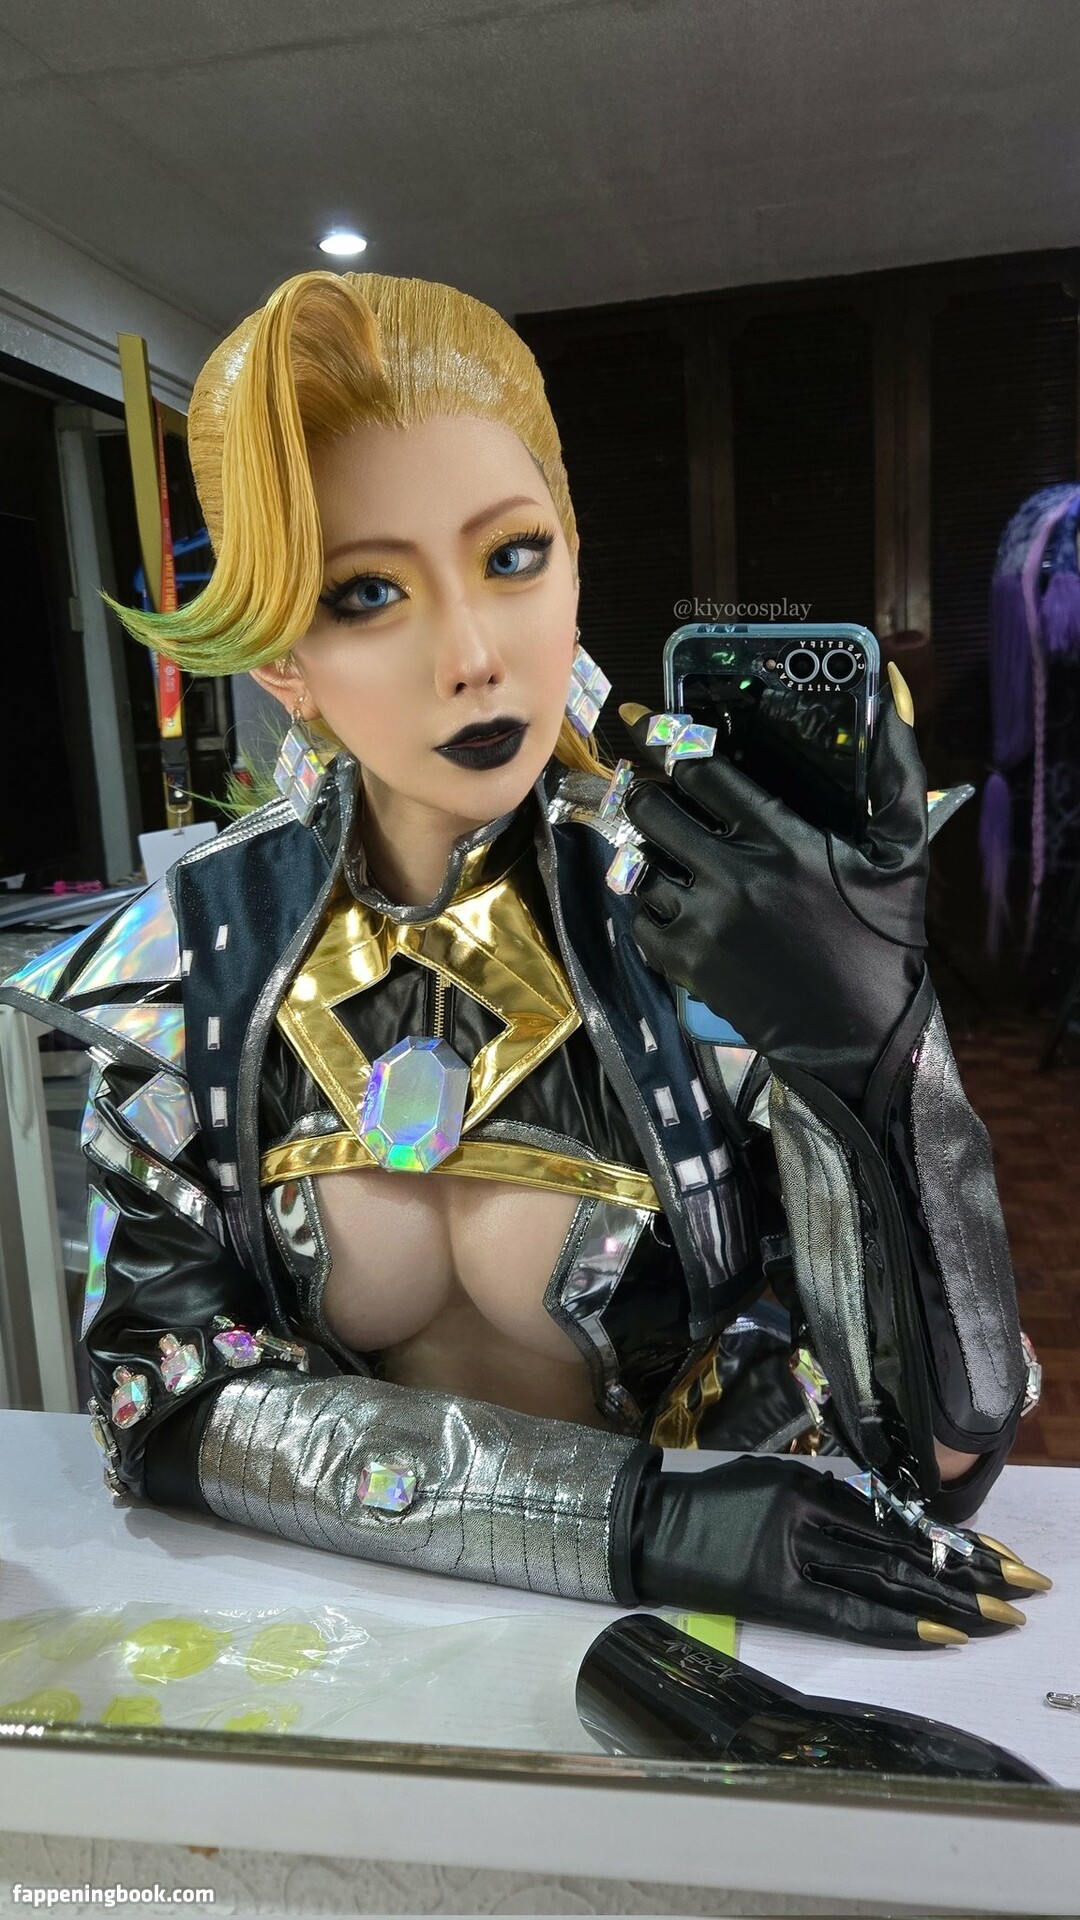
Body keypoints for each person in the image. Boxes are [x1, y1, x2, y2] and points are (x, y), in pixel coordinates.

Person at [2, 271, 1049, 1647]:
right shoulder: (197, 952)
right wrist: (638, 1521)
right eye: (367, 591)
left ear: (574, 558)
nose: (473, 655)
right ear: (280, 664)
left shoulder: (709, 920)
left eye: (511, 557)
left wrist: (880, 1057)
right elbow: (156, 1400)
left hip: (706, 1654)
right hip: (338, 1648)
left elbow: (945, 1457)